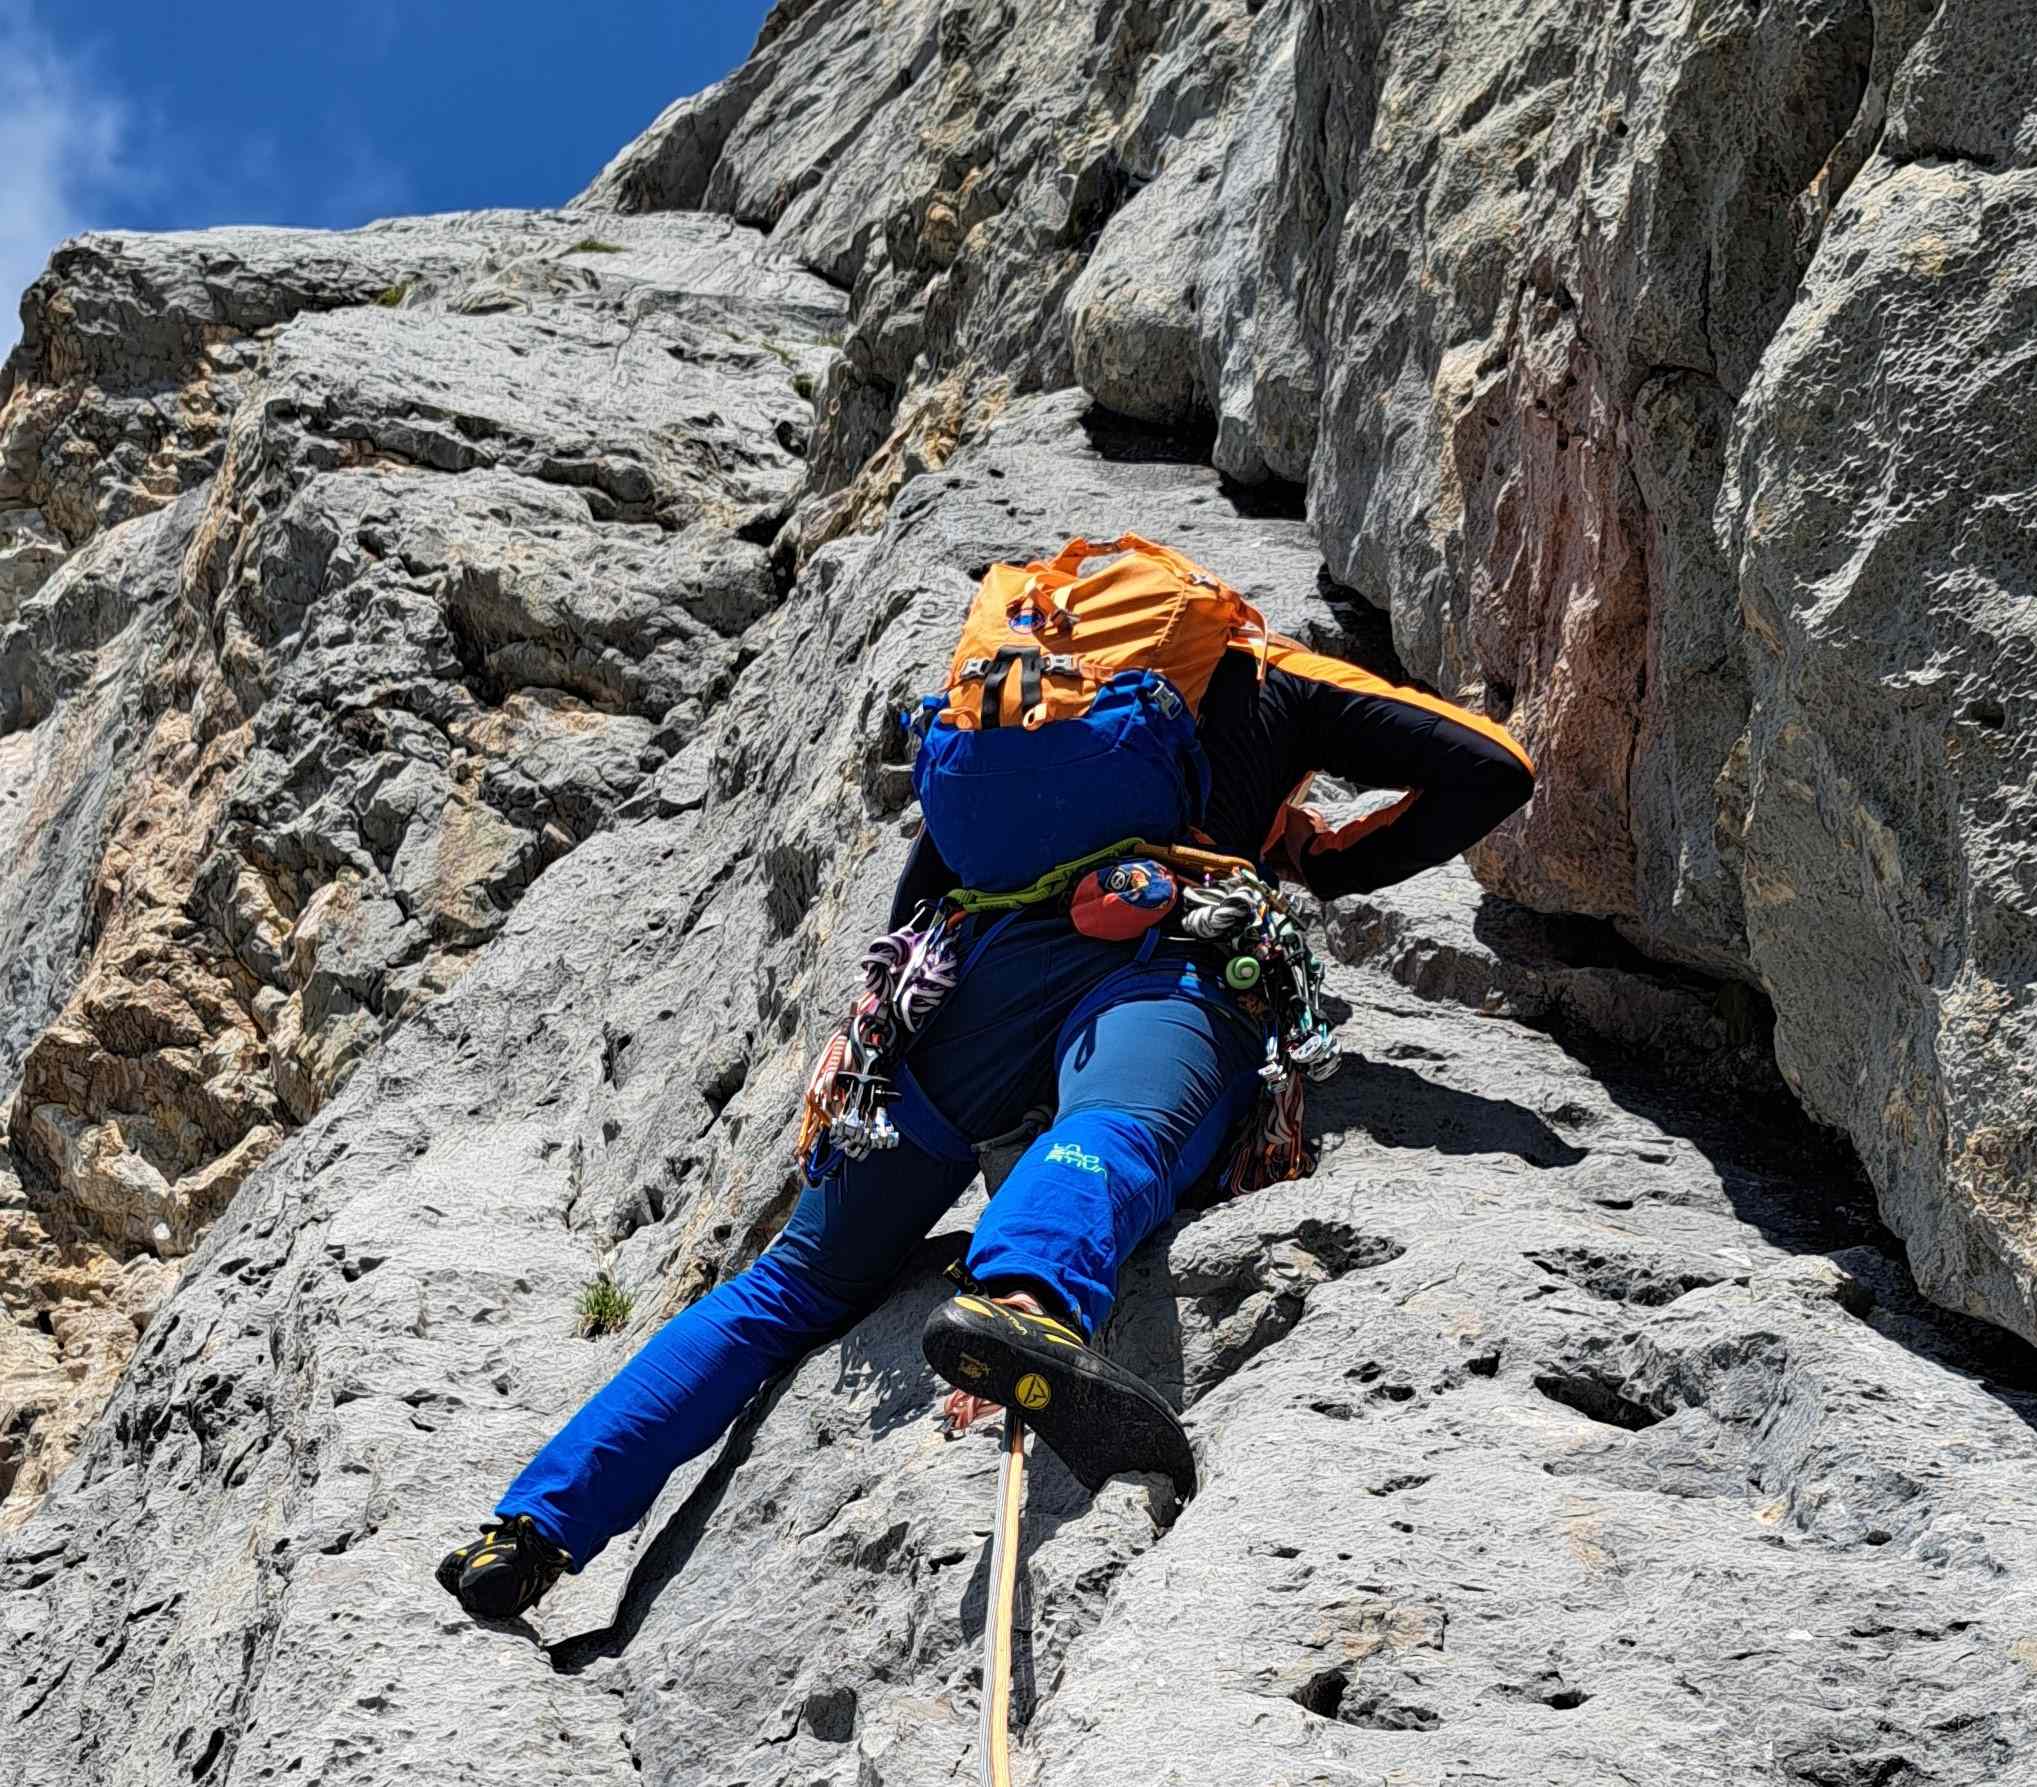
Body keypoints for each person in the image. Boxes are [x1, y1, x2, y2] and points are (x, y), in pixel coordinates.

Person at [436, 623, 1533, 1619]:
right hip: (1170, 948)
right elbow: (1490, 768)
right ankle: (1022, 1297)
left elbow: (926, 890)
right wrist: (1313, 855)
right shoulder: (1258, 669)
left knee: (786, 1288)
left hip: (968, 987)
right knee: (1113, 1123)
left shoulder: (1017, 681)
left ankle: (529, 1529)